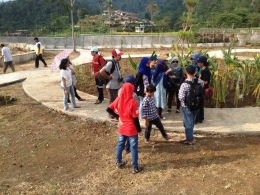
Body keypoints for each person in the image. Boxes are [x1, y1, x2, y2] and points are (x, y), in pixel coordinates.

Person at [106, 83, 144, 174]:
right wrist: (139, 130)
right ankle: (135, 167)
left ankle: (118, 162)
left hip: (122, 128)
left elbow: (108, 109)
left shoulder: (119, 99)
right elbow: (135, 119)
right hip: (131, 129)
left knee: (120, 145)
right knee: (133, 148)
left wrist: (117, 116)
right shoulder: (132, 102)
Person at [178, 65, 204, 145]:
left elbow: (181, 97)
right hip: (197, 105)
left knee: (188, 123)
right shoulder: (200, 81)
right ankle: (190, 136)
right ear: (195, 72)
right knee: (192, 121)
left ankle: (189, 140)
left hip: (187, 106)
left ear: (186, 72)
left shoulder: (184, 84)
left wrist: (183, 104)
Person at [100, 49, 124, 119]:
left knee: (114, 100)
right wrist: (108, 77)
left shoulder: (116, 63)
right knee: (112, 101)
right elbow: (102, 71)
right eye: (119, 55)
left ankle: (113, 113)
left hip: (115, 85)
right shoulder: (111, 63)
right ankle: (111, 115)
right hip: (111, 86)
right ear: (115, 55)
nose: (120, 56)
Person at [196, 56, 211, 123]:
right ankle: (200, 118)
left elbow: (206, 82)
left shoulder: (206, 71)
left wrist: (198, 80)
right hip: (201, 88)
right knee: (200, 104)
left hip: (203, 89)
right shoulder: (203, 70)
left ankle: (200, 118)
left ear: (202, 63)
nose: (198, 63)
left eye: (199, 62)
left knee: (199, 104)